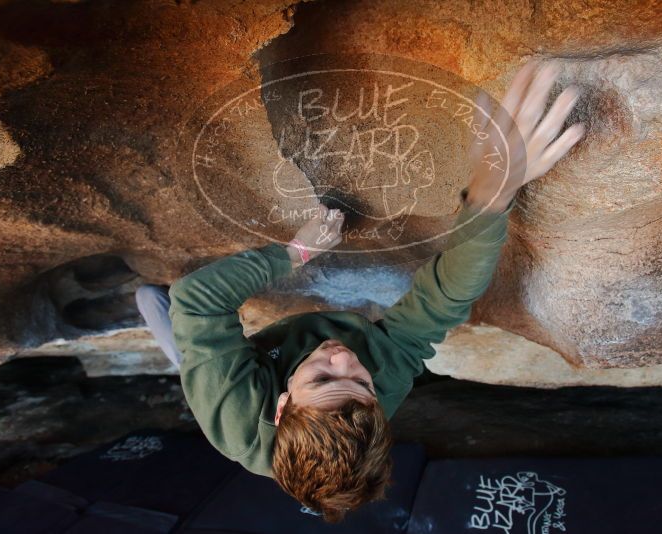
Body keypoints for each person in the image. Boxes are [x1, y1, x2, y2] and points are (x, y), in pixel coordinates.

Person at [135, 59, 584, 523]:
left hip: (242, 377)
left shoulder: (235, 416)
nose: (345, 359)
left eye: (324, 379)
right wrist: (491, 197)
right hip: (285, 373)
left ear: (284, 402)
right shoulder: (379, 393)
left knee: (184, 337)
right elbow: (443, 299)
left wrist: (297, 252)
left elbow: (197, 301)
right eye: (360, 381)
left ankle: (186, 359)